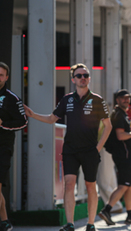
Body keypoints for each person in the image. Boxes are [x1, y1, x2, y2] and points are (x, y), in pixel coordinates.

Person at [24, 63, 112, 231]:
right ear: (73, 80)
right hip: (70, 149)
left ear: (89, 79)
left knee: (90, 185)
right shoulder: (67, 99)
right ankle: (70, 224)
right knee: (69, 184)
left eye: (85, 75)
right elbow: (52, 119)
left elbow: (108, 126)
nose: (83, 78)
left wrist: (97, 148)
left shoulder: (97, 100)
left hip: (90, 151)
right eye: (79, 76)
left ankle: (91, 224)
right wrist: (33, 115)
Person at [98, 89, 131, 225]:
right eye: (123, 98)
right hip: (123, 155)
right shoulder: (118, 115)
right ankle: (107, 210)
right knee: (124, 185)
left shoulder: (122, 114)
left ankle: (129, 214)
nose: (126, 100)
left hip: (126, 154)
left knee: (130, 184)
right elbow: (120, 135)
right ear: (117, 100)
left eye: (127, 98)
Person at [0, 62, 28, 231]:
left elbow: (23, 122)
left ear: (6, 77)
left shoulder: (12, 98)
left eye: (1, 75)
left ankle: (4, 221)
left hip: (3, 147)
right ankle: (4, 221)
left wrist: (3, 123)